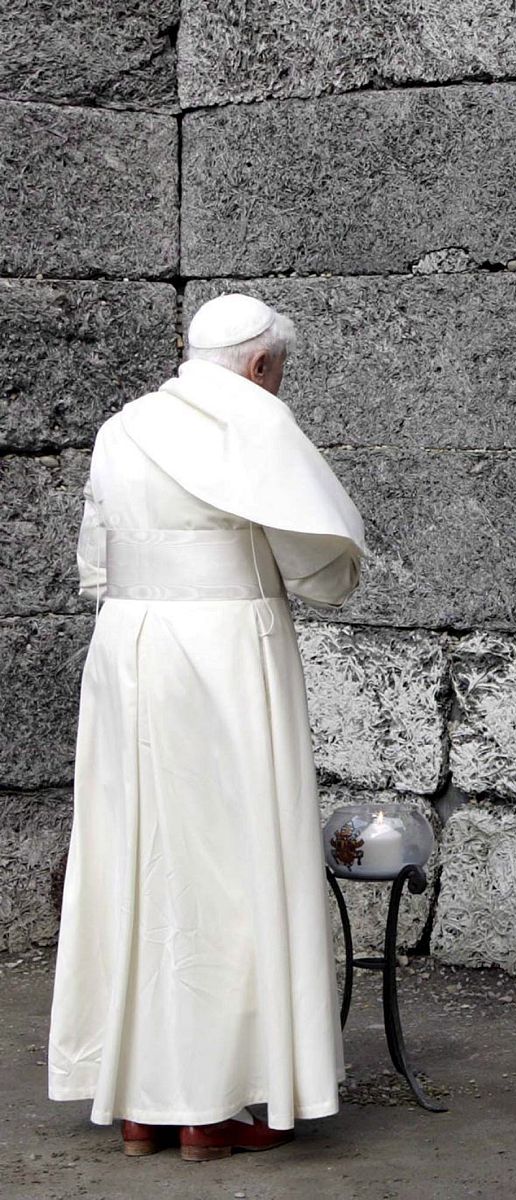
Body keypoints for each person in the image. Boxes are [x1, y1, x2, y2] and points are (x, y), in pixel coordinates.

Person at [47, 294, 366, 1162]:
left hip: (128, 647)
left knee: (135, 857)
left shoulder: (124, 426)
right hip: (225, 651)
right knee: (231, 861)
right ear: (262, 364)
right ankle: (208, 1105)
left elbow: (97, 556)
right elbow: (321, 566)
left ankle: (141, 1102)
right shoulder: (256, 425)